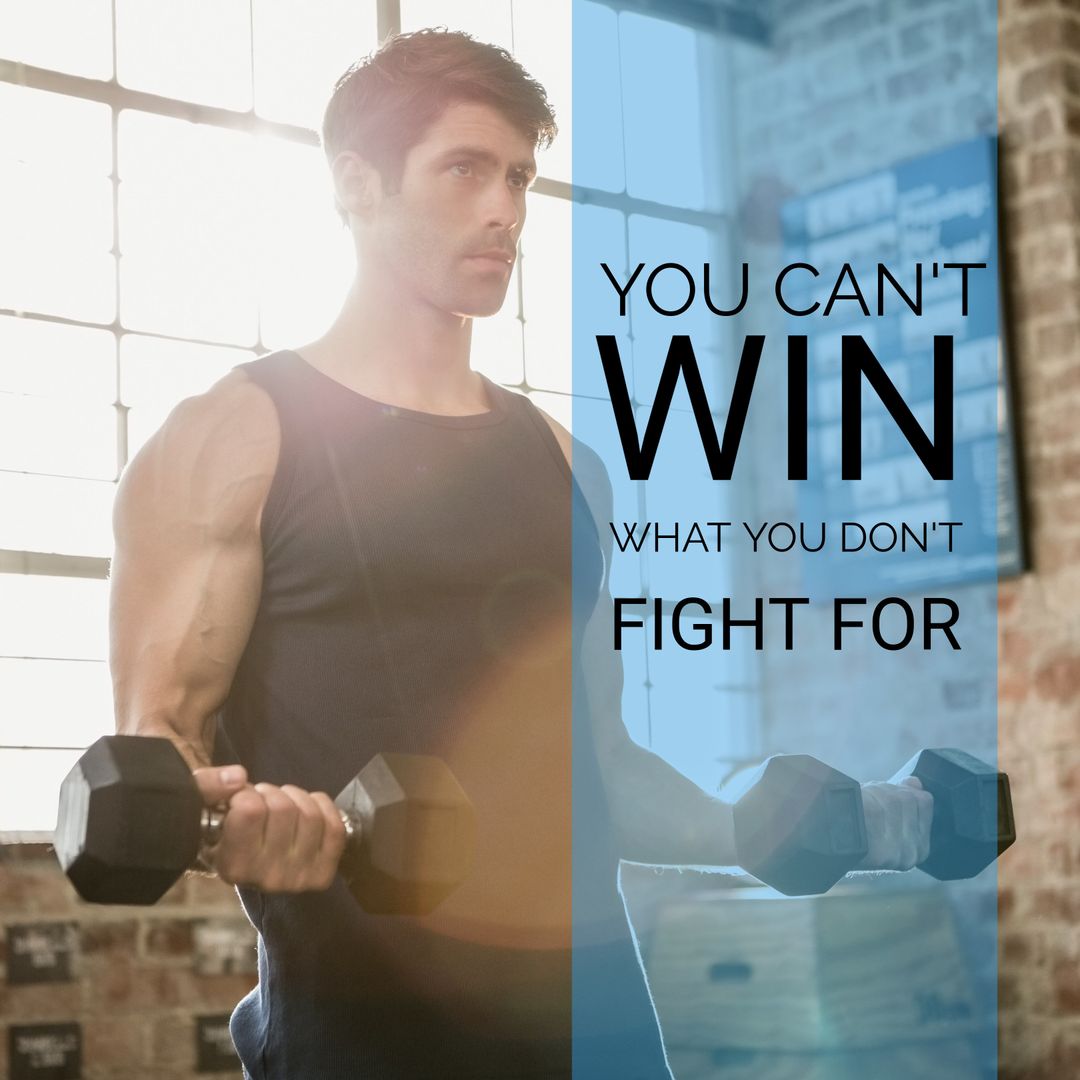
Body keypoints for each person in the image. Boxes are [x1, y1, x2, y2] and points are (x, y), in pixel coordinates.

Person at [109, 29, 931, 1079]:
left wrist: (841, 826)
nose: (505, 211)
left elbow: (606, 772)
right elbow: (155, 761)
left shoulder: (566, 463)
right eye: (464, 170)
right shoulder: (232, 439)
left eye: (518, 178)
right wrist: (238, 825)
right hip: (362, 1037)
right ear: (357, 186)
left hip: (598, 1031)